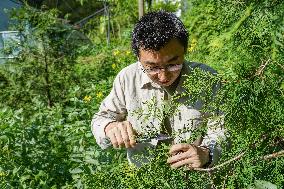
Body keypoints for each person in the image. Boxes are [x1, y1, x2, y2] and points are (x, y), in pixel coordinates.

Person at [91, 11, 225, 168]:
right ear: (138, 58)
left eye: (173, 64)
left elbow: (222, 129)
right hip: (145, 178)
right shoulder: (127, 78)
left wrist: (206, 152)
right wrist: (110, 127)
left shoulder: (207, 77)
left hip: (196, 178)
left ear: (185, 51)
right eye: (152, 68)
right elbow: (100, 119)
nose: (163, 76)